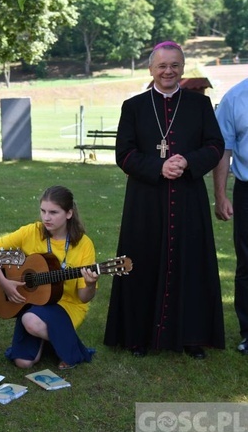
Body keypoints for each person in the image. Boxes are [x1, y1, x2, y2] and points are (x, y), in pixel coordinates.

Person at [104, 41, 225, 359]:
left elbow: (215, 145)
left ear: (183, 68)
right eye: (162, 66)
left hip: (188, 198)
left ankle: (192, 336)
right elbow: (124, 154)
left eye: (174, 65)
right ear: (151, 69)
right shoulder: (134, 106)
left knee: (191, 262)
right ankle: (137, 337)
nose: (168, 71)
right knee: (141, 261)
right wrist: (160, 166)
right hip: (146, 200)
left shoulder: (200, 106)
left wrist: (187, 162)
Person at [0, 186, 98, 370]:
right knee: (23, 362)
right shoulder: (32, 231)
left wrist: (91, 284)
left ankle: (71, 350)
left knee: (30, 321)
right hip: (34, 301)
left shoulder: (84, 244)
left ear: (69, 213)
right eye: (43, 211)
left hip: (67, 304)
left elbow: (84, 297)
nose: (46, 217)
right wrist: (4, 284)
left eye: (53, 212)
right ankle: (55, 340)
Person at [213, 77, 248, 355]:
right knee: (247, 263)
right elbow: (223, 150)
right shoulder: (235, 98)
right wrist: (221, 195)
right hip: (247, 190)